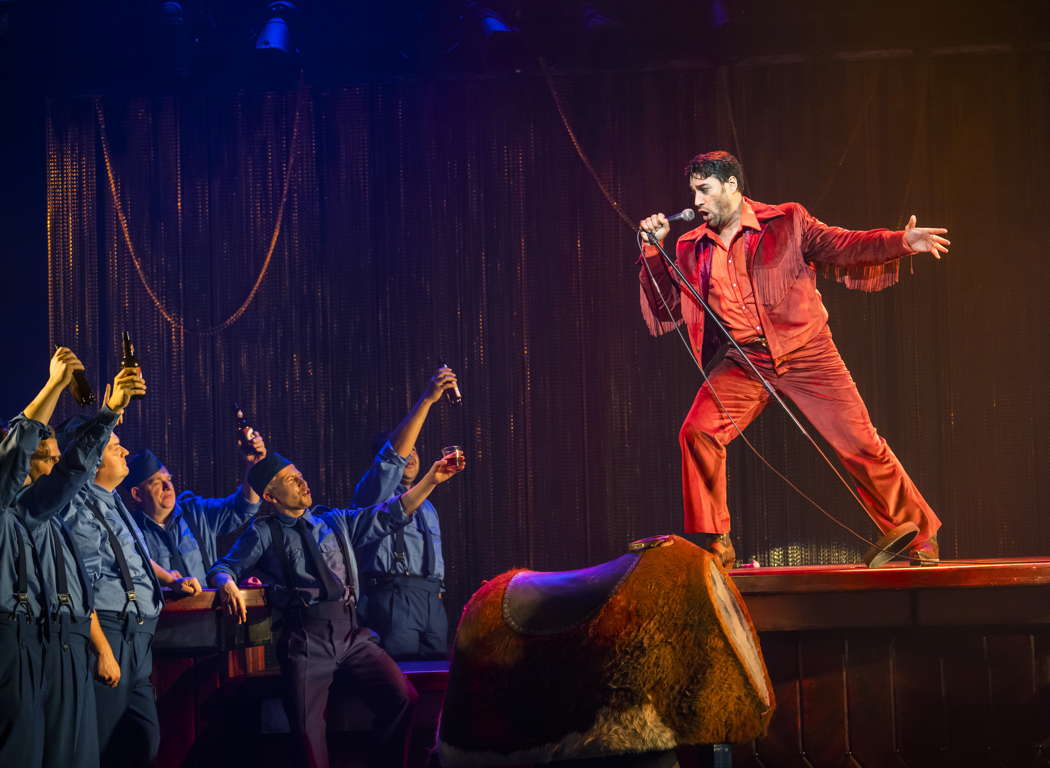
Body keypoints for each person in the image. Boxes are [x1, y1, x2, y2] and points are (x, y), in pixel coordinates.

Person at [637, 151, 948, 568]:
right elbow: (665, 308)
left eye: (705, 190)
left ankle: (920, 537)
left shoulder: (786, 221)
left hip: (807, 352)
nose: (697, 201)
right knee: (698, 431)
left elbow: (843, 244)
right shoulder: (691, 246)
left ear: (731, 185)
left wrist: (900, 242)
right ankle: (715, 544)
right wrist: (652, 252)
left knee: (860, 443)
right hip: (744, 361)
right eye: (694, 190)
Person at [209, 448, 465, 768]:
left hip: (351, 632)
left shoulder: (335, 521)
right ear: (271, 496)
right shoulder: (263, 532)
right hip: (307, 636)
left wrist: (432, 479)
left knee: (402, 698)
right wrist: (225, 582)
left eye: (301, 475)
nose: (303, 482)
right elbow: (224, 567)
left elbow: (390, 512)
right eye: (291, 479)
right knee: (306, 728)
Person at [14, 359, 144, 768]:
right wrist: (66, 391)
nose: (53, 467)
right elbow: (67, 468)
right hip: (31, 640)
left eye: (55, 458)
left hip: (66, 638)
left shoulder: (50, 516)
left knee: (80, 754)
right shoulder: (23, 508)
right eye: (43, 459)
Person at [56, 404, 202, 768]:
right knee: (100, 744)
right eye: (113, 445)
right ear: (89, 457)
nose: (124, 451)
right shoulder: (74, 506)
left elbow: (131, 553)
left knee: (144, 740)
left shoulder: (112, 501)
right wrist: (102, 649)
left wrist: (171, 578)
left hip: (138, 638)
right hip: (109, 632)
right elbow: (78, 585)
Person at [350, 365, 458, 659]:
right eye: (405, 451)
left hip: (430, 599)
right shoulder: (373, 492)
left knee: (436, 678)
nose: (410, 455)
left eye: (415, 450)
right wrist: (427, 399)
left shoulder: (429, 505)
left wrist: (436, 593)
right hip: (393, 596)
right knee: (402, 677)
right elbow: (391, 458)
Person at [122, 432, 266, 584]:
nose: (168, 486)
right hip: (163, 608)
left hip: (207, 606)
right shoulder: (129, 532)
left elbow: (243, 507)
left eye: (168, 479)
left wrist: (254, 465)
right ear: (137, 494)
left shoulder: (196, 512)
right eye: (157, 482)